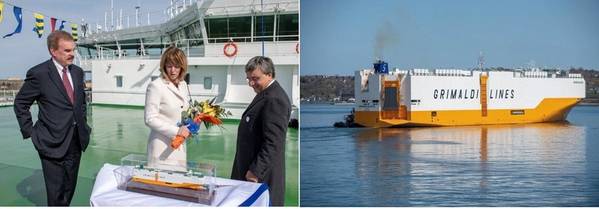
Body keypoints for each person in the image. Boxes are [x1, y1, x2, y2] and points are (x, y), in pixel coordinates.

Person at [14, 30, 91, 206]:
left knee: (70, 187)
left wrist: (83, 124)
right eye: (67, 51)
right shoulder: (39, 73)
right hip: (50, 140)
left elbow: (80, 103)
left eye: (73, 50)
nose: (72, 54)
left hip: (76, 140)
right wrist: (30, 132)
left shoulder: (78, 72)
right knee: (55, 192)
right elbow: (21, 103)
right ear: (53, 51)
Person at [231, 56, 291, 206]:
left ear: (269, 74)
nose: (251, 83)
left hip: (259, 177)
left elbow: (274, 142)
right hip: (250, 174)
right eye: (249, 79)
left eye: (255, 78)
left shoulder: (274, 99)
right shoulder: (265, 94)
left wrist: (256, 171)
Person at [144, 46, 191, 171]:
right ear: (164, 66)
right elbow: (149, 119)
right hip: (161, 148)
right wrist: (176, 131)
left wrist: (192, 124)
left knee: (178, 186)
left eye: (177, 66)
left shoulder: (183, 84)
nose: (173, 70)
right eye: (169, 66)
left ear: (182, 67)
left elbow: (183, 110)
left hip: (180, 146)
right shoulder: (156, 86)